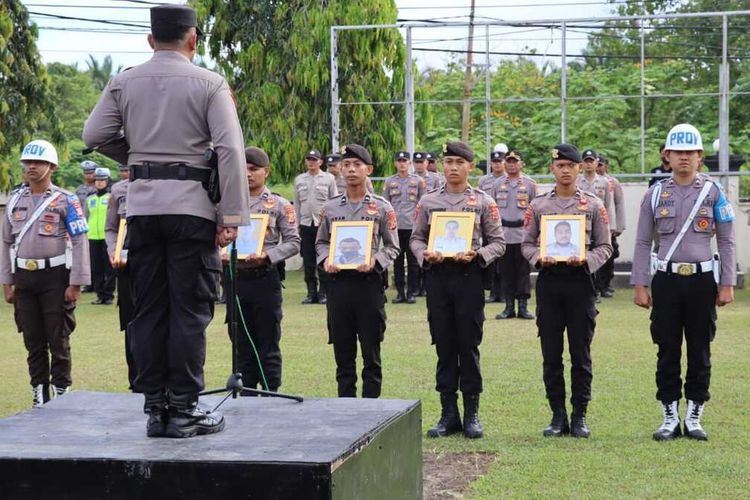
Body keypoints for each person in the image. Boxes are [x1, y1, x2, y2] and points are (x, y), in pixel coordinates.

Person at [83, 4, 250, 438]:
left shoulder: (123, 81)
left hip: (142, 211)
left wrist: (141, 159)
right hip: (192, 211)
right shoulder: (210, 83)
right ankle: (184, 409)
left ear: (150, 40)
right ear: (193, 39)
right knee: (190, 312)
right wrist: (231, 214)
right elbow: (231, 150)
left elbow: (94, 136)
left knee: (150, 309)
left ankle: (155, 408)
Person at [631, 123, 736, 442]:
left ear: (701, 156)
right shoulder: (654, 194)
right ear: (667, 156)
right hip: (666, 279)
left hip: (703, 280)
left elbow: (727, 241)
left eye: (691, 152)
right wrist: (640, 283)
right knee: (666, 347)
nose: (684, 158)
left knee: (700, 348)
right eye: (678, 152)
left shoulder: (715, 192)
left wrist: (727, 282)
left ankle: (694, 413)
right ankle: (669, 414)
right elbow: (641, 242)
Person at [411, 141, 505, 439]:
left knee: (468, 345)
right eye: (448, 161)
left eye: (459, 162)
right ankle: (447, 413)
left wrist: (478, 256)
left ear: (469, 166)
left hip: (468, 278)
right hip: (438, 278)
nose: (453, 167)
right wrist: (424, 254)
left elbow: (498, 242)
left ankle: (472, 414)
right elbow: (415, 239)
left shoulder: (483, 201)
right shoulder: (427, 202)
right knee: (444, 345)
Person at [522, 144, 612, 439]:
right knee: (551, 352)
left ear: (579, 168)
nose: (564, 170)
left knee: (580, 352)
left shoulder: (594, 205)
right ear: (552, 169)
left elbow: (605, 246)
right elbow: (527, 244)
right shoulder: (538, 206)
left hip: (580, 283)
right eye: (559, 165)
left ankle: (580, 415)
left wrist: (587, 260)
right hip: (549, 281)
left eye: (569, 166)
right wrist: (538, 258)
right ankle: (557, 415)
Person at [1, 140, 90, 408]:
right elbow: (5, 242)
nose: (31, 167)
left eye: (37, 162)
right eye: (27, 162)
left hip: (55, 277)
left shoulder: (66, 199)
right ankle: (39, 393)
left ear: (51, 166)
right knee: (32, 339)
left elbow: (79, 240)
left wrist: (76, 282)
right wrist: (7, 281)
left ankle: (61, 391)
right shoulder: (15, 199)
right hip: (24, 279)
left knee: (58, 337)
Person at [316, 144, 400, 398]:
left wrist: (375, 260)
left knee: (371, 350)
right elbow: (320, 243)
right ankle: (346, 406)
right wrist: (325, 260)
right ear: (340, 170)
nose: (351, 170)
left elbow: (393, 247)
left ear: (369, 170)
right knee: (342, 351)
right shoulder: (330, 209)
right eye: (346, 165)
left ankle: (371, 408)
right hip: (339, 284)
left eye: (357, 165)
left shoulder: (383, 208)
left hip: (368, 285)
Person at [224, 147, 300, 394]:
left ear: (266, 172)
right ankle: (246, 391)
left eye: (253, 169)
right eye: (242, 169)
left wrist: (268, 256)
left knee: (268, 338)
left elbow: (293, 241)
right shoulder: (227, 201)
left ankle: (270, 391)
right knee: (240, 341)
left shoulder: (278, 204)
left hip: (265, 277)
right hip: (235, 279)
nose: (247, 174)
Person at [493, 150, 537, 320]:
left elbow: (535, 209)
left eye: (515, 161)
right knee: (505, 271)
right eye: (509, 161)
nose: (511, 164)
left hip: (523, 234)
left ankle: (523, 307)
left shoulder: (530, 184)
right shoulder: (497, 185)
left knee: (523, 271)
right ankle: (509, 307)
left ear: (522, 164)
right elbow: (492, 210)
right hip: (503, 234)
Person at [105, 163, 135, 390]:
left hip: (159, 268)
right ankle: (136, 383)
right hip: (127, 269)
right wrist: (114, 250)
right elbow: (111, 228)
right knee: (132, 326)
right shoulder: (119, 190)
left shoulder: (169, 186)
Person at [294, 149, 338, 304]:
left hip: (323, 225)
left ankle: (323, 293)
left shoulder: (329, 179)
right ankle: (310, 292)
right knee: (308, 260)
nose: (311, 162)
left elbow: (334, 202)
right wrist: (297, 224)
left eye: (314, 159)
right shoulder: (299, 180)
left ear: (320, 162)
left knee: (323, 258)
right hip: (306, 224)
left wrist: (333, 224)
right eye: (309, 159)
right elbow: (297, 204)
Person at [383, 151, 424, 304]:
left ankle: (412, 292)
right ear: (395, 163)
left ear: (409, 163)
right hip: (395, 227)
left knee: (413, 261)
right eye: (399, 160)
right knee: (397, 260)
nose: (401, 163)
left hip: (412, 226)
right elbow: (386, 204)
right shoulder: (389, 181)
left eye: (404, 160)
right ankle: (400, 292)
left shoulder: (418, 181)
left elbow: (423, 203)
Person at [596, 155, 625, 297]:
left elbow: (618, 205)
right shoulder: (586, 182)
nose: (598, 167)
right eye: (597, 164)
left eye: (601, 165)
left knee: (609, 257)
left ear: (606, 166)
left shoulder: (612, 182)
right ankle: (597, 286)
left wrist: (618, 226)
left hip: (609, 226)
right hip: (593, 227)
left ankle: (606, 284)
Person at [86, 167, 115, 305]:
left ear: (108, 181)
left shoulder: (111, 197)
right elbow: (86, 217)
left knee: (109, 267)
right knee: (96, 267)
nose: (99, 182)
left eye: (102, 180)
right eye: (97, 179)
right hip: (92, 237)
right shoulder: (89, 198)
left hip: (107, 237)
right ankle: (100, 294)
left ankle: (108, 295)